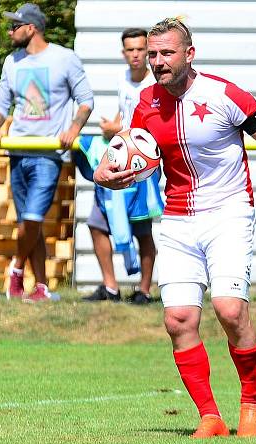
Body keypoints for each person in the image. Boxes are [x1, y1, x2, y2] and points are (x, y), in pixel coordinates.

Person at [94, 17, 256, 438]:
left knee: (230, 310)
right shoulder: (145, 101)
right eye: (152, 54)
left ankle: (251, 403)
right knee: (178, 319)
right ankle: (210, 416)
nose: (158, 62)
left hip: (229, 212)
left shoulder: (223, 94)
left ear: (189, 54)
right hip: (179, 218)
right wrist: (105, 174)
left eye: (167, 53)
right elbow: (123, 156)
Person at [0, 3, 94, 302]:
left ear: (31, 28)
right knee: (27, 225)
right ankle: (42, 288)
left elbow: (85, 101)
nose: (9, 31)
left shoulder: (65, 58)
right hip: (18, 153)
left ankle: (16, 271)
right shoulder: (11, 62)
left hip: (48, 154)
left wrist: (73, 129)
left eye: (15, 26)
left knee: (32, 218)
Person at [81, 28, 162, 305]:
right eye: (131, 50)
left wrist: (120, 129)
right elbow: (124, 109)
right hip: (118, 157)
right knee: (97, 223)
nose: (136, 55)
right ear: (123, 53)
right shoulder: (123, 78)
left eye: (142, 49)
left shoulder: (156, 81)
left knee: (142, 229)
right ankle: (111, 287)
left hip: (143, 165)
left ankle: (144, 290)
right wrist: (114, 128)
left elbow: (154, 123)